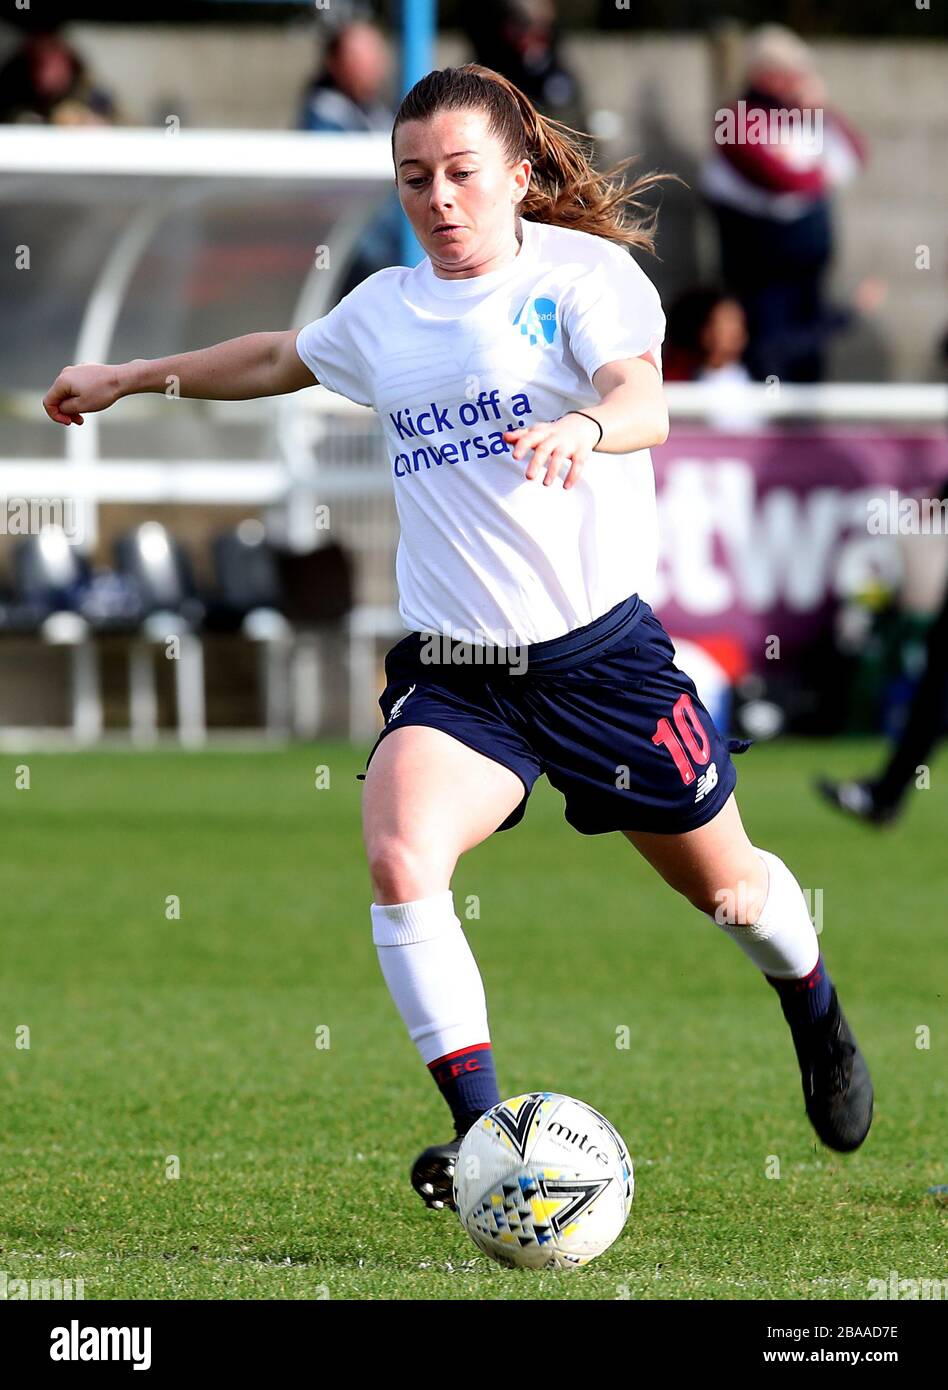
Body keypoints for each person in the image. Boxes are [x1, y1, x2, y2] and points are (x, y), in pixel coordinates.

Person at [42, 63, 873, 1216]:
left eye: (461, 174)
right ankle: (489, 1133)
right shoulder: (388, 311)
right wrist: (131, 377)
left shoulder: (586, 277)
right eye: (414, 177)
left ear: (520, 178)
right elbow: (279, 357)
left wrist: (585, 424)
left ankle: (815, 1010)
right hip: (462, 677)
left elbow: (647, 397)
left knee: (731, 892)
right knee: (399, 854)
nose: (437, 198)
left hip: (603, 664)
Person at [701, 24, 869, 383]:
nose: (798, 83)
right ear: (764, 75)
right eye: (790, 74)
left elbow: (855, 153)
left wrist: (826, 110)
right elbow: (781, 180)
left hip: (807, 272)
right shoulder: (736, 119)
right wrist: (821, 173)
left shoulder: (805, 117)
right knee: (768, 355)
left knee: (809, 355)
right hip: (761, 273)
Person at [296, 19, 401, 297]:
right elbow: (326, 195)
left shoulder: (378, 113)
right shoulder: (323, 117)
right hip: (353, 253)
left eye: (374, 55)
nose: (371, 66)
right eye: (358, 57)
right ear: (334, 62)